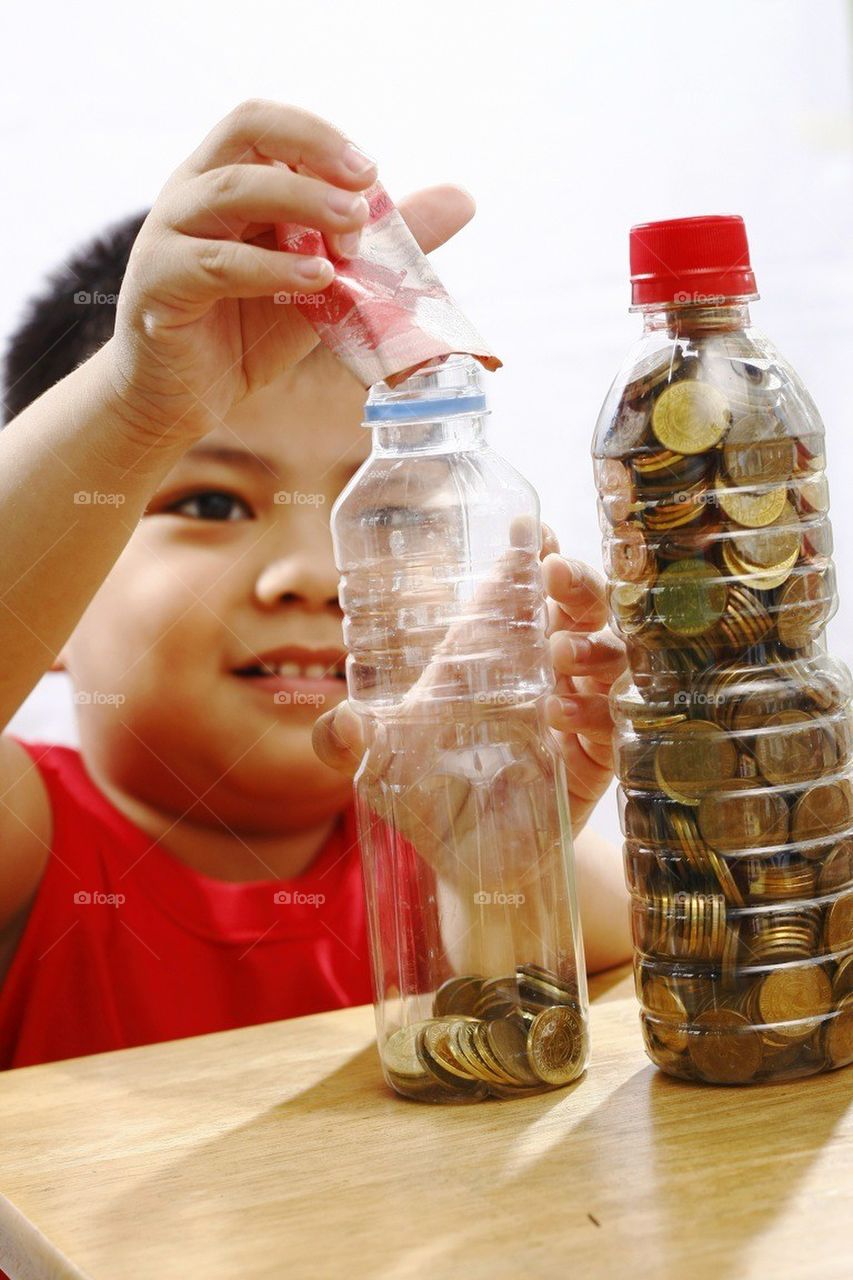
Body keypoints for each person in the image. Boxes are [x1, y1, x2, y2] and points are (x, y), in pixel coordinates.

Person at [0, 100, 630, 1071]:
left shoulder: (441, 848)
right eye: (210, 504)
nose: (317, 575)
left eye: (385, 514)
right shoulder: (32, 847)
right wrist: (134, 405)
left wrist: (500, 879)